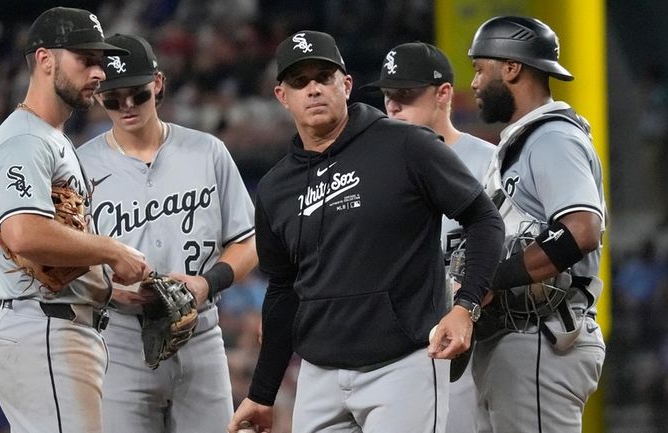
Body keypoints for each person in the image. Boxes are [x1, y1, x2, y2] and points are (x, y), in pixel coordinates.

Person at [228, 30, 504, 433]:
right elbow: (284, 290)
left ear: (346, 84)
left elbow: (483, 219)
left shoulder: (407, 144)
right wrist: (262, 392)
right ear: (281, 96)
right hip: (319, 375)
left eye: (324, 76)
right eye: (299, 81)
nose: (314, 89)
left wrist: (465, 307)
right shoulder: (275, 186)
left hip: (404, 363)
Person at [0, 7, 152, 433]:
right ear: (45, 59)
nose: (98, 72)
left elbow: (55, 245)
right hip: (44, 329)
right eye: (85, 59)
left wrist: (107, 290)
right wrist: (113, 250)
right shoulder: (24, 138)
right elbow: (23, 232)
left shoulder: (50, 137)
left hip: (57, 325)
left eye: (100, 60)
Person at [77, 34, 257, 433]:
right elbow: (67, 261)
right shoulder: (80, 167)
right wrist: (108, 290)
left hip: (200, 331)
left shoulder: (207, 152)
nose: (126, 106)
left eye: (137, 94)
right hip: (120, 336)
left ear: (157, 83)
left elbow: (247, 241)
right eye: (113, 96)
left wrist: (207, 284)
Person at [467, 16, 607, 433]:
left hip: (541, 340)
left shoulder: (551, 138)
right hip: (517, 341)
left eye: (479, 68)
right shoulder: (521, 139)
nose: (474, 83)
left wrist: (491, 278)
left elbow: (581, 231)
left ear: (511, 68)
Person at [362, 41, 496, 433]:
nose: (393, 107)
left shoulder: (489, 164)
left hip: (469, 343)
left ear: (444, 94)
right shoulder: (371, 170)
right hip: (394, 348)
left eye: (405, 96)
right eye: (388, 97)